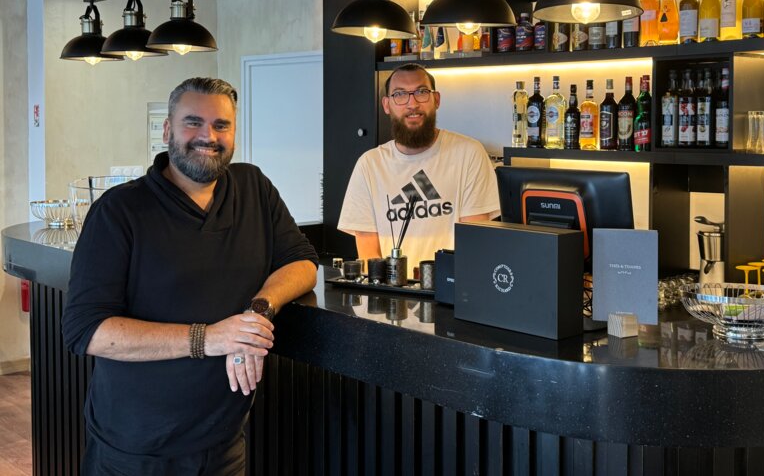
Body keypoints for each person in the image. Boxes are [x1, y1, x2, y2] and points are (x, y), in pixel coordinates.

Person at [62, 77, 318, 475]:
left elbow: (302, 261)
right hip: (136, 452)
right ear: (167, 130)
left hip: (224, 445)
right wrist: (210, 338)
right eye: (193, 122)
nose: (208, 136)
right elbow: (86, 331)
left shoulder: (253, 188)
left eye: (221, 125)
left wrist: (257, 313)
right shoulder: (120, 211)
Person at [338, 63, 500, 267]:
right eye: (399, 94)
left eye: (421, 92)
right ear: (386, 105)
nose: (412, 103)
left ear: (436, 100)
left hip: (454, 284)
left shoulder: (469, 154)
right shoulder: (369, 165)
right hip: (391, 286)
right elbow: (369, 257)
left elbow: (474, 244)